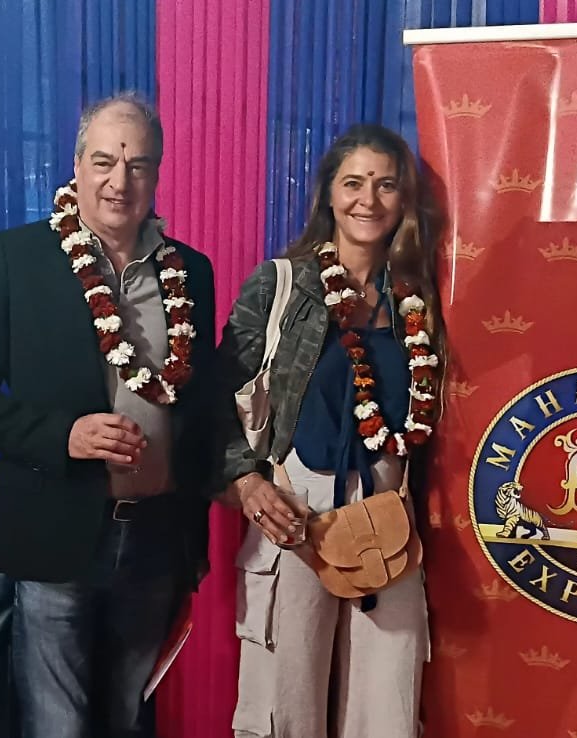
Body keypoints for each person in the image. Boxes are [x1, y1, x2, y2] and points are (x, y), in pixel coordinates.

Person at [0, 92, 217, 738]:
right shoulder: (19, 258)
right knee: (58, 725)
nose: (121, 181)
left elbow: (200, 404)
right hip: (55, 535)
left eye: (138, 165)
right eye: (105, 161)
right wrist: (64, 435)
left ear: (156, 174)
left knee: (128, 719)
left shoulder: (190, 272)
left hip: (156, 539)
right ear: (77, 165)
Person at [213, 124, 439, 738]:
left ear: (403, 199)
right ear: (329, 195)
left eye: (385, 184)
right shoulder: (281, 284)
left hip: (386, 513)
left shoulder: (419, 299)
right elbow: (214, 401)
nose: (368, 199)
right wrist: (246, 483)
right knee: (289, 708)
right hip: (295, 508)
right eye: (353, 183)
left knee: (385, 712)